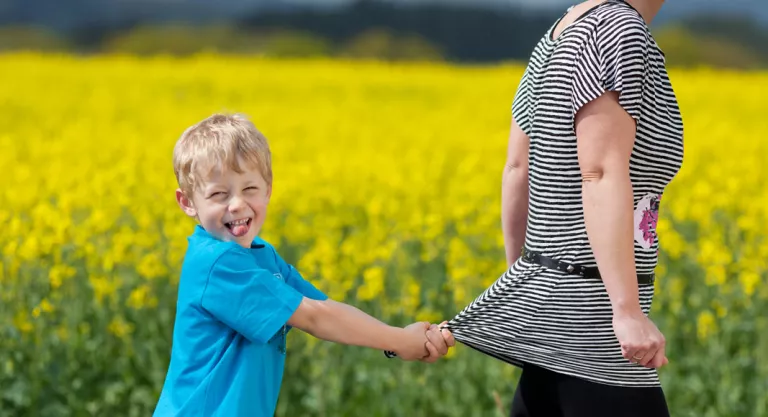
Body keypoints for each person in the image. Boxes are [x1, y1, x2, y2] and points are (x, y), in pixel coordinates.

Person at [442, 0, 683, 416]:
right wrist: (625, 312)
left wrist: (526, 285)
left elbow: (519, 168)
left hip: (553, 315)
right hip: (594, 329)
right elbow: (601, 173)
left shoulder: (561, 31)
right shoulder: (617, 30)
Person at [152, 113, 455, 417]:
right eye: (219, 194)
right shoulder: (217, 263)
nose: (237, 204)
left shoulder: (261, 255)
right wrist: (401, 340)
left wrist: (405, 336)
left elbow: (323, 308)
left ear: (268, 188)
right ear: (187, 202)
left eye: (250, 189)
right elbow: (314, 318)